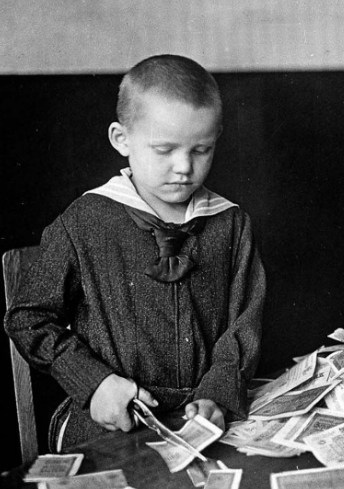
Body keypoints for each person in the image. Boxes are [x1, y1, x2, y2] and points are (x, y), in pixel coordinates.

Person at [4, 54, 265, 451]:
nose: (184, 167)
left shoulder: (231, 223)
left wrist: (217, 392)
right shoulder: (84, 221)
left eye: (202, 149)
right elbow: (28, 319)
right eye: (164, 150)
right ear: (121, 139)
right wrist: (93, 383)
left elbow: (244, 321)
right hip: (110, 419)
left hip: (203, 412)